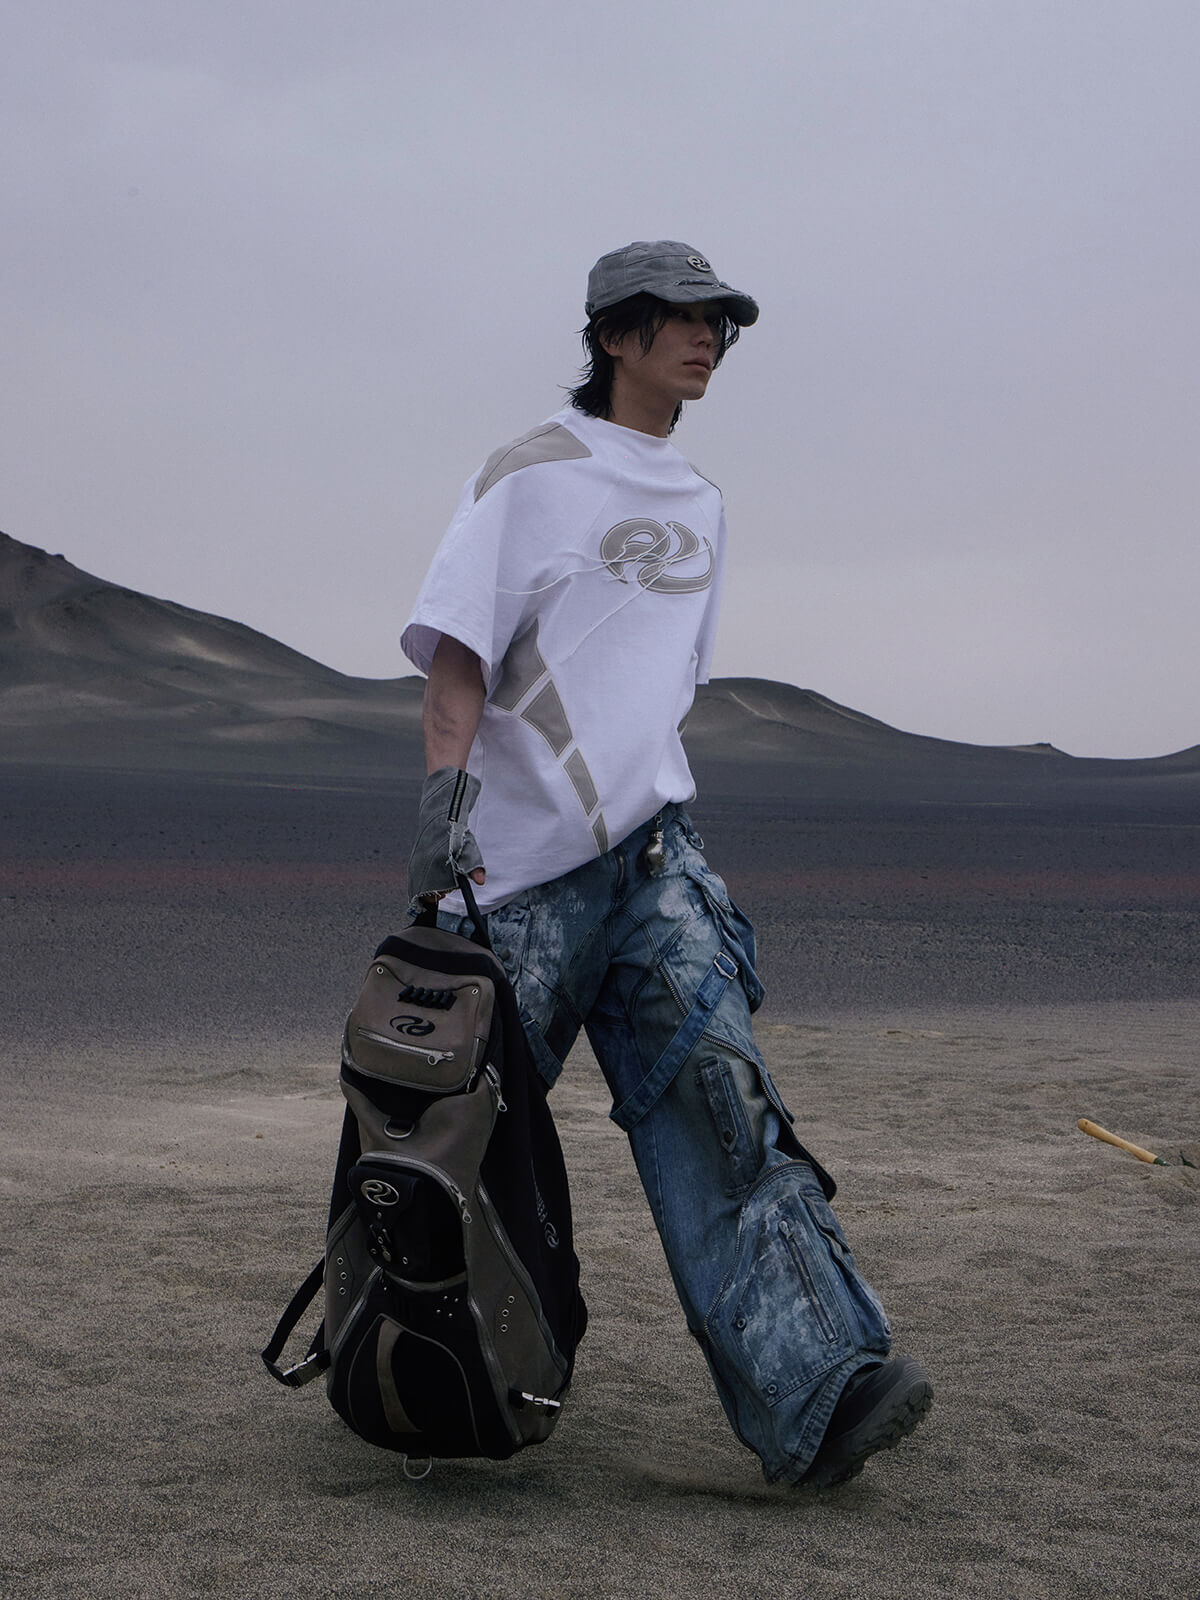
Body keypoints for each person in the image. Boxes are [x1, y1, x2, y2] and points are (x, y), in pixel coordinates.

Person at [401, 240, 932, 1487]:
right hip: (514, 877)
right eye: (684, 319)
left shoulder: (701, 502)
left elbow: (658, 685)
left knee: (724, 1103)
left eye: (720, 324)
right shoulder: (529, 473)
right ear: (613, 335)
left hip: (654, 859)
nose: (708, 341)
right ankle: (416, 1377)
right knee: (459, 1136)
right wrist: (442, 802)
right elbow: (463, 653)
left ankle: (820, 1390)